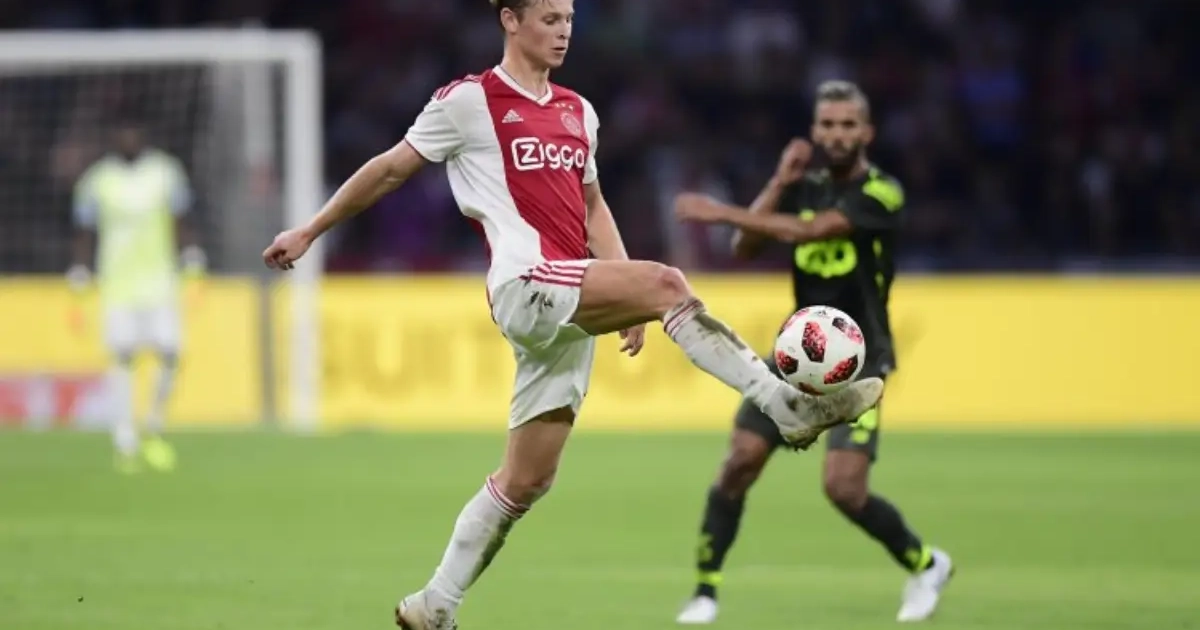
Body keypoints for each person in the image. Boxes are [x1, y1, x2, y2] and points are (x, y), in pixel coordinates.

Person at [262, 3, 883, 629]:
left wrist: (623, 286)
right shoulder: (468, 101)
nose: (563, 31)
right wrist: (311, 230)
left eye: (569, 18)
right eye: (549, 18)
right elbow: (390, 169)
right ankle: (784, 404)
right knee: (668, 282)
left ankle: (435, 604)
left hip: (566, 298)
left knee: (526, 480)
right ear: (511, 20)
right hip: (524, 283)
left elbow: (592, 206)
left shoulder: (578, 111)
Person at [672, 81, 954, 624]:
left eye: (848, 125)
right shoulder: (804, 187)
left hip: (859, 363)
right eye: (827, 124)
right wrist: (780, 180)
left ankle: (926, 564)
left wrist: (722, 211)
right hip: (798, 356)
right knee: (739, 462)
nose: (837, 134)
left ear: (867, 132)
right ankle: (705, 592)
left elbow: (816, 231)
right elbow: (746, 248)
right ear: (815, 130)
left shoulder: (883, 193)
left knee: (843, 489)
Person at [70, 114, 204, 474]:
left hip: (161, 281)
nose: (128, 137)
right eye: (122, 131)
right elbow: (84, 228)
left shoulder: (166, 172)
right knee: (122, 358)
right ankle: (124, 438)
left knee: (171, 352)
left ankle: (154, 422)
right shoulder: (98, 179)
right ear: (113, 136)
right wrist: (80, 268)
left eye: (134, 131)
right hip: (118, 285)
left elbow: (181, 218)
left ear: (144, 134)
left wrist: (191, 253)